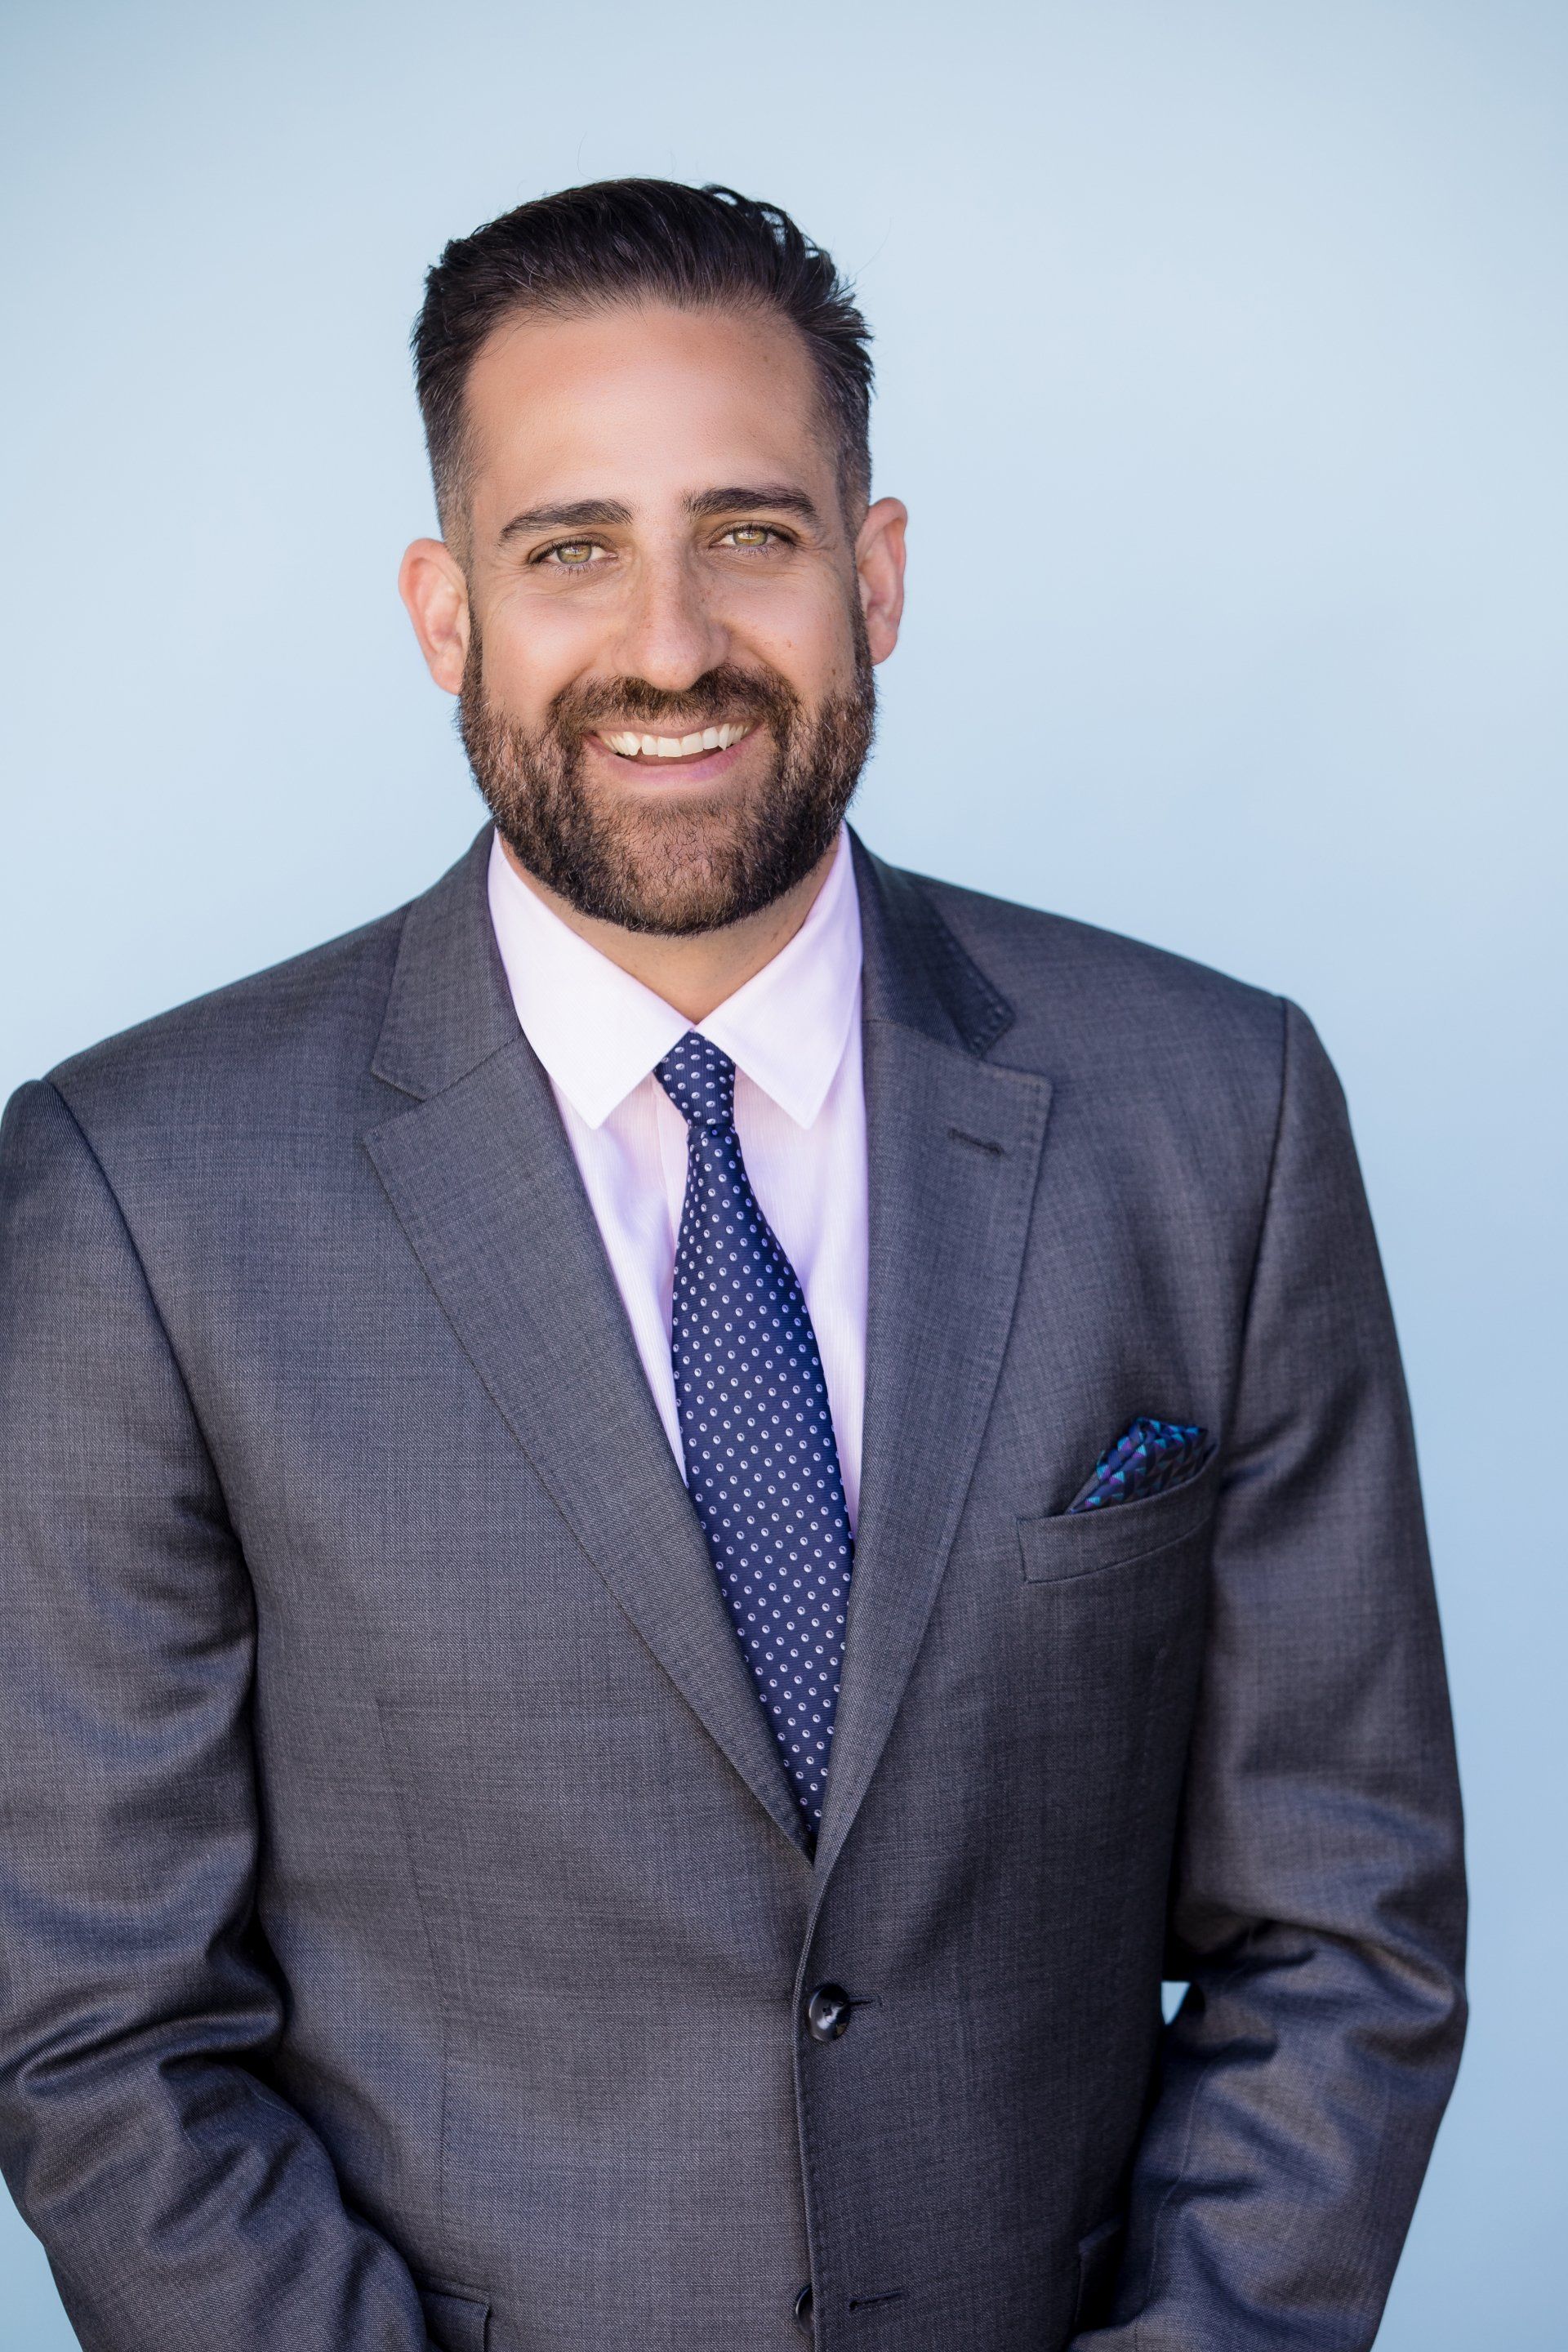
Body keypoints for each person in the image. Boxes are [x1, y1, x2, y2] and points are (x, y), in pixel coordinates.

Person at [0, 179, 1465, 2352]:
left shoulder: (1211, 1116)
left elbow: (1345, 1933)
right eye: (568, 546)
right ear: (444, 612)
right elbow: (104, 2039)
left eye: (751, 534)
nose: (671, 638)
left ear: (873, 573)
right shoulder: (137, 1190)